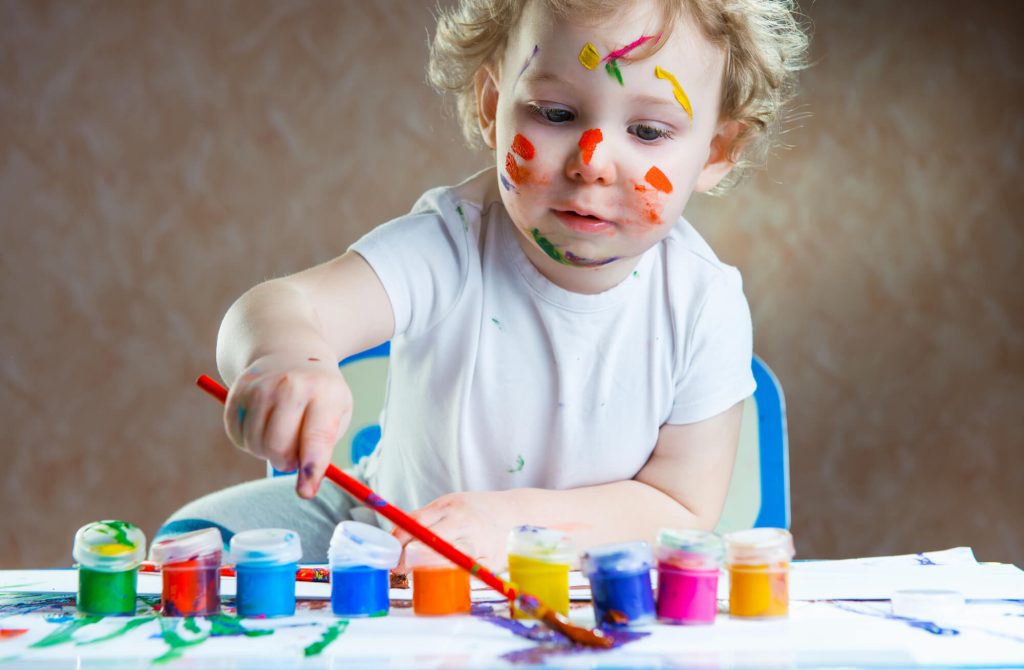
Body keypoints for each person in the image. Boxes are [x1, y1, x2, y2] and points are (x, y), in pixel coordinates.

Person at [160, 0, 809, 570]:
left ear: (717, 151)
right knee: (183, 551)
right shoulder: (449, 244)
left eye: (646, 131)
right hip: (384, 541)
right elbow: (284, 305)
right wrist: (283, 357)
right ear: (495, 105)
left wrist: (512, 526)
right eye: (555, 112)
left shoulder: (704, 304)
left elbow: (680, 504)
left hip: (582, 574)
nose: (592, 162)